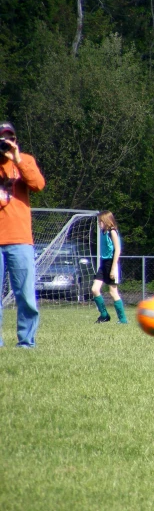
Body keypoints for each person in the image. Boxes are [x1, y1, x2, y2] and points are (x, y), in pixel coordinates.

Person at [0, 121, 45, 348]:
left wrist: (16, 158)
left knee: (26, 296)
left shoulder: (24, 160)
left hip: (20, 239)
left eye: (10, 139)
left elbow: (38, 185)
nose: (6, 143)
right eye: (2, 139)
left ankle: (26, 342)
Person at [91, 210, 127, 324]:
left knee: (113, 292)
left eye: (100, 221)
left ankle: (123, 319)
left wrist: (113, 268)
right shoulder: (102, 232)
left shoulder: (112, 232)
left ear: (106, 220)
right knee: (94, 289)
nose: (99, 223)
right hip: (103, 263)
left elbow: (118, 249)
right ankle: (104, 315)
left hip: (112, 263)